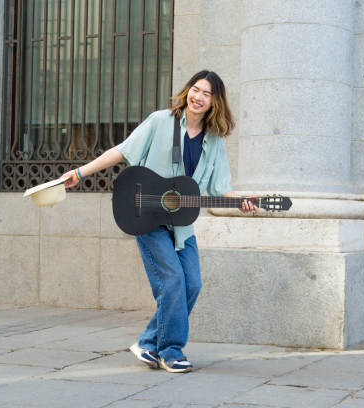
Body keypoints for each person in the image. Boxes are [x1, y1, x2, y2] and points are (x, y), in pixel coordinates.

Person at [61, 70, 256, 373]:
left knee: (192, 284)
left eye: (206, 93)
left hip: (182, 226)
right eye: (195, 89)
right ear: (187, 91)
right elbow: (122, 151)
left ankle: (148, 343)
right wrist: (78, 173)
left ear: (215, 102)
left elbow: (220, 188)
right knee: (173, 282)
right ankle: (171, 351)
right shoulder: (160, 121)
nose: (198, 96)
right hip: (148, 217)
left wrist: (242, 202)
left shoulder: (214, 141)